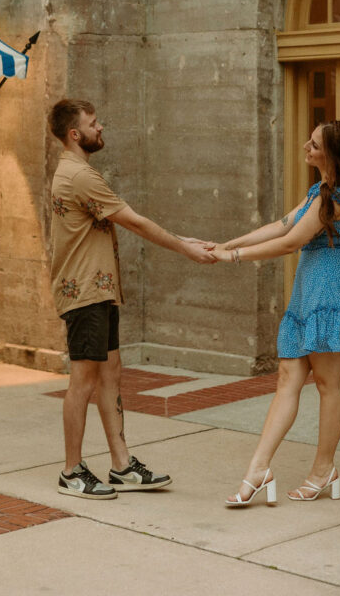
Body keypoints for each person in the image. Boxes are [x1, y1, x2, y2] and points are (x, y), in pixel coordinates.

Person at [49, 98, 216, 500]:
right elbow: (134, 221)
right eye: (93, 123)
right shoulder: (80, 176)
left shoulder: (78, 171)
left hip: (98, 290)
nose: (100, 127)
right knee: (82, 381)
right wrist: (185, 249)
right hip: (85, 291)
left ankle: (122, 466)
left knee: (110, 374)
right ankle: (72, 471)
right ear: (76, 134)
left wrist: (183, 239)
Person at [211, 120, 340, 505]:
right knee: (287, 378)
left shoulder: (337, 197)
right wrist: (225, 243)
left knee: (327, 384)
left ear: (332, 154)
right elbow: (282, 224)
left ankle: (323, 470)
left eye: (314, 143)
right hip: (308, 295)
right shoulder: (318, 191)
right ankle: (258, 470)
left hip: (330, 295)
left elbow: (290, 242)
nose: (306, 145)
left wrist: (232, 257)